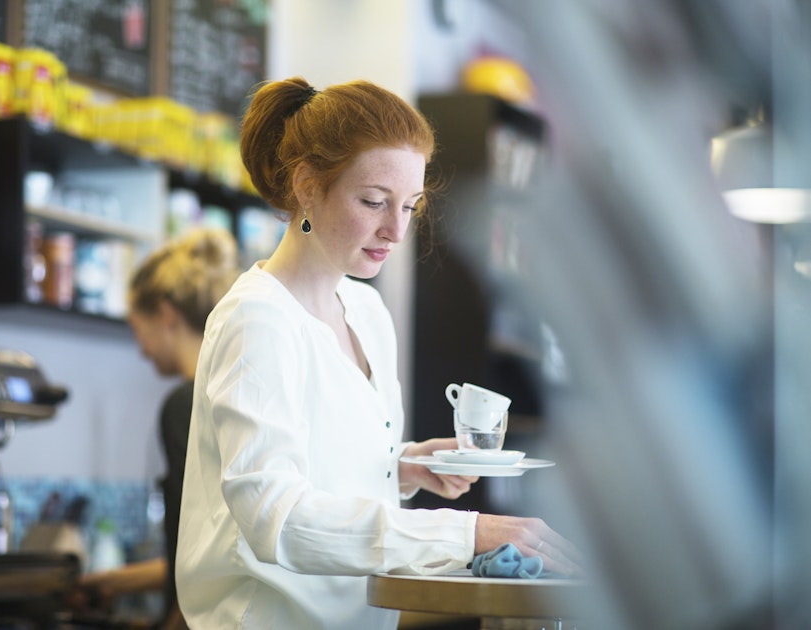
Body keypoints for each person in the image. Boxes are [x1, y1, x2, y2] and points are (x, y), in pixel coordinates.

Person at [175, 77, 581, 630]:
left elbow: (321, 466)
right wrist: (467, 533)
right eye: (374, 201)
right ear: (307, 186)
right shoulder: (258, 319)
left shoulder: (366, 312)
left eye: (410, 207)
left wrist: (401, 466)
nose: (395, 230)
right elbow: (277, 516)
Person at [76, 226, 240, 630]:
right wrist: (118, 580)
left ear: (165, 314)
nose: (141, 349)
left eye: (138, 328)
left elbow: (214, 560)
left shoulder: (187, 403)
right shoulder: (233, 388)